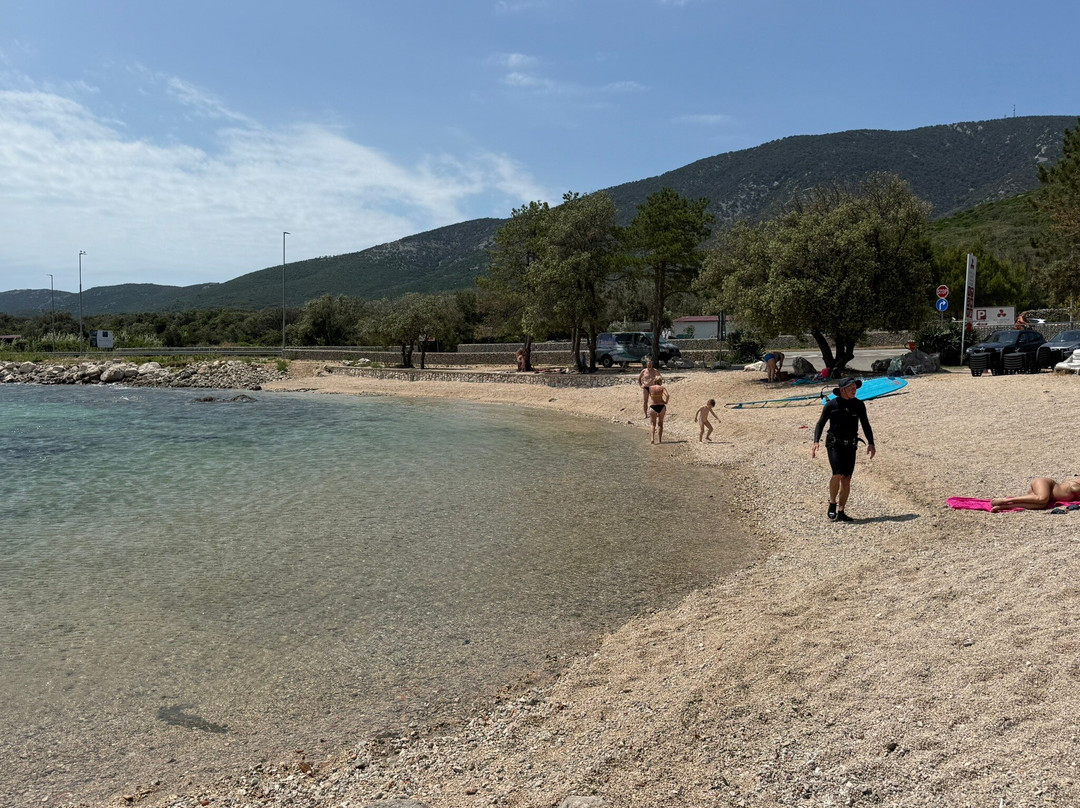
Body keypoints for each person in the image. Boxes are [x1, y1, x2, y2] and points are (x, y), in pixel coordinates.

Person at [811, 378, 876, 522]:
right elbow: (820, 423)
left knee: (846, 479)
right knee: (837, 473)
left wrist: (871, 443)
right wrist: (816, 442)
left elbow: (866, 424)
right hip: (834, 444)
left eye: (855, 387)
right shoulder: (831, 405)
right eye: (851, 387)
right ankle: (832, 503)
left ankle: (841, 511)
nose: (854, 390)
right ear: (842, 390)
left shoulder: (859, 405)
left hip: (851, 445)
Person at [991, 477, 1080, 512]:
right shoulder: (1076, 484)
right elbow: (1075, 489)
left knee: (1042, 505)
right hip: (1047, 484)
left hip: (1048, 496)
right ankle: (1005, 500)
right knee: (1042, 499)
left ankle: (1002, 507)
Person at [647, 377, 669, 444]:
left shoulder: (650, 388)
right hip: (661, 406)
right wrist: (666, 402)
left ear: (654, 381)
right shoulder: (662, 388)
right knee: (660, 423)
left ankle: (652, 438)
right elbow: (667, 395)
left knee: (653, 424)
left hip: (653, 406)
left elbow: (650, 396)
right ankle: (659, 440)